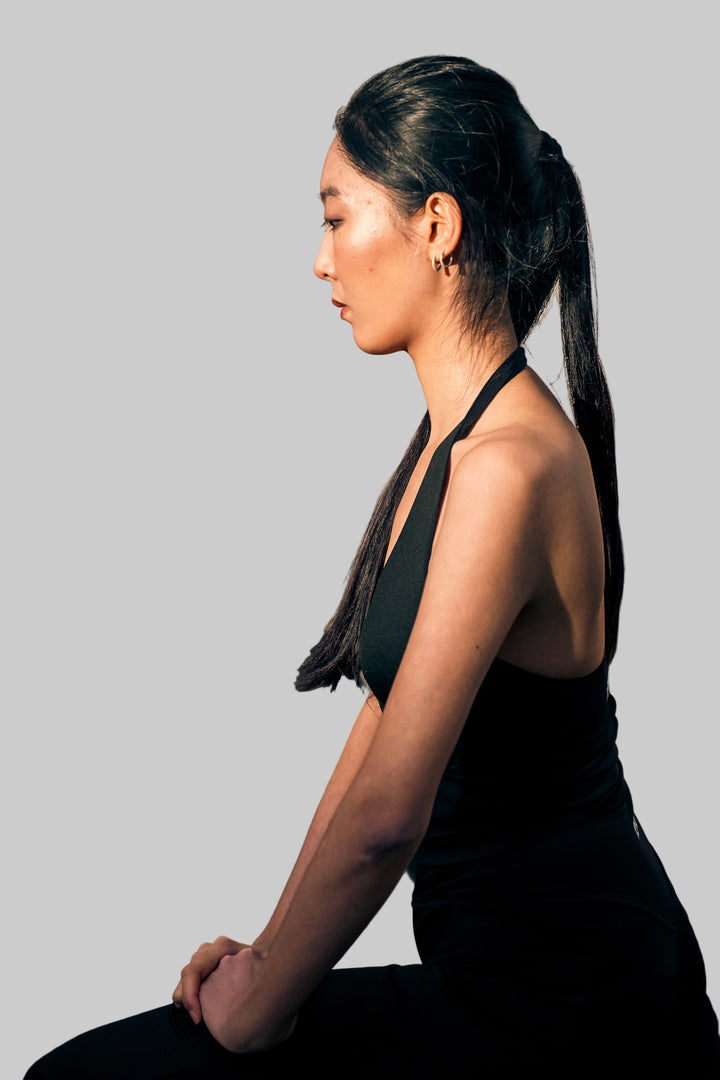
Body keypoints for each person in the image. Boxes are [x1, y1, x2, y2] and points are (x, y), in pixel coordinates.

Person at [25, 55, 720, 1079]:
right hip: (500, 976)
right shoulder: (453, 446)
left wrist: (259, 1009)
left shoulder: (510, 466)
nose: (320, 260)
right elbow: (379, 729)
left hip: (569, 999)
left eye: (338, 217)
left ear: (435, 226)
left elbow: (390, 818)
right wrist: (264, 960)